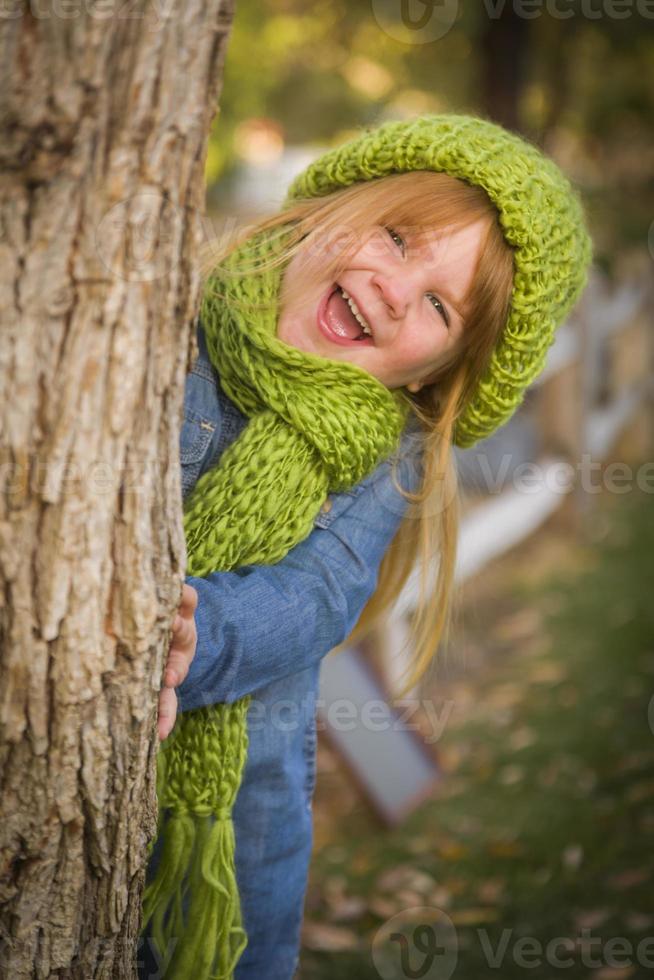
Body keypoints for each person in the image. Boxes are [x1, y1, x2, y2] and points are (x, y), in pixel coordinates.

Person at [139, 113, 593, 980]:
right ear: (326, 210)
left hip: (239, 818)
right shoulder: (171, 319)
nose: (394, 288)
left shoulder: (387, 452)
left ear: (432, 373)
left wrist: (202, 634)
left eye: (438, 304)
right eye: (396, 235)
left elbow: (321, 592)